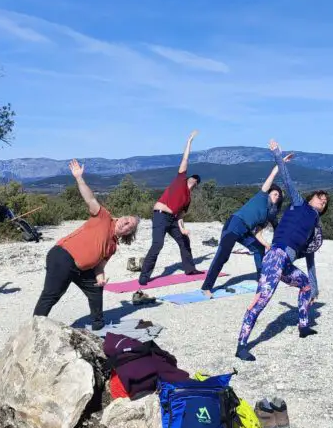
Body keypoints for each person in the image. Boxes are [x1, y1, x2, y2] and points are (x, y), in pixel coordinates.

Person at [236, 139, 329, 361]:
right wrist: (277, 154)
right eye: (320, 197)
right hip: (276, 257)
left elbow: (311, 260)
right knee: (261, 300)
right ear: (311, 199)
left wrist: (315, 289)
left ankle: (303, 326)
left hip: (286, 263)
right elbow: (287, 180)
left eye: (325, 201)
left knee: (305, 286)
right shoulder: (299, 204)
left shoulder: (314, 228)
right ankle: (241, 346)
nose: (323, 200)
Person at [33, 160, 140, 329]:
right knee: (52, 294)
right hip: (63, 256)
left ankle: (98, 325)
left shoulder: (113, 246)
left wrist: (100, 276)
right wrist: (79, 178)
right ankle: (35, 329)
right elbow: (90, 199)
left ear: (128, 233)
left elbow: (99, 266)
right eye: (126, 220)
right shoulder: (103, 216)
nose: (125, 225)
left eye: (129, 227)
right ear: (120, 218)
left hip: (81, 269)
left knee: (95, 289)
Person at [200, 159, 290, 297]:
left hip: (245, 231)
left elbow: (258, 234)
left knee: (258, 248)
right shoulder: (261, 196)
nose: (276, 197)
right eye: (274, 194)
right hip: (235, 224)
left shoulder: (269, 215)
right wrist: (281, 162)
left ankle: (261, 279)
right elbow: (272, 175)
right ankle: (206, 287)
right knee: (222, 255)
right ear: (269, 193)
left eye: (278, 196)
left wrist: (267, 245)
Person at [137, 131, 202, 286]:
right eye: (192, 178)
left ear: (196, 185)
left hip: (173, 219)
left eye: (196, 180)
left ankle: (190, 269)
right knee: (157, 244)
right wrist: (189, 141)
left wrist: (183, 229)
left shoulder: (188, 198)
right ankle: (144, 276)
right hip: (160, 215)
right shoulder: (180, 179)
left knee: (184, 240)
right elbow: (185, 159)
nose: (194, 180)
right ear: (188, 178)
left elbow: (180, 216)